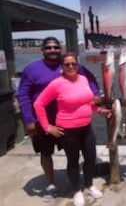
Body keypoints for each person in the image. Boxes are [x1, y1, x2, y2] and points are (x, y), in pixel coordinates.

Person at [17, 37, 101, 202]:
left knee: (81, 155)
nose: (53, 50)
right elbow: (23, 95)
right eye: (48, 47)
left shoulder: (73, 66)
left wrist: (96, 96)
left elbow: (91, 81)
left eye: (56, 47)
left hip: (69, 121)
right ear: (43, 50)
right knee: (46, 152)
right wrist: (29, 119)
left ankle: (86, 185)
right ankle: (51, 184)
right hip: (44, 120)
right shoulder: (31, 69)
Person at [33, 52, 111, 206]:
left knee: (90, 158)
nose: (70, 66)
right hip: (68, 131)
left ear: (77, 64)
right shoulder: (57, 84)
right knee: (73, 161)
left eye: (73, 63)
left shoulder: (83, 79)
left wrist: (98, 110)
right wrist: (47, 127)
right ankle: (77, 190)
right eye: (67, 64)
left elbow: (86, 102)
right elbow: (38, 104)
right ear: (62, 67)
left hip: (86, 128)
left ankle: (88, 185)